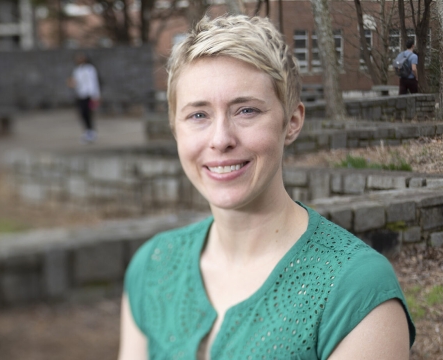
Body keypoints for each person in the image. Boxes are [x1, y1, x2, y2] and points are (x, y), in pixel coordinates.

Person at [118, 15, 415, 360]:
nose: (221, 140)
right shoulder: (153, 266)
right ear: (175, 129)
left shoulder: (356, 290)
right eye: (198, 115)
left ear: (292, 123)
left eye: (246, 110)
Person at [68, 53, 101, 143]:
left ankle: (91, 132)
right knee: (82, 113)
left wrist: (95, 96)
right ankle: (87, 131)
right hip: (80, 95)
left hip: (89, 95)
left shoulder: (90, 69)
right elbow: (76, 82)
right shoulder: (77, 70)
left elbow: (93, 82)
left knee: (88, 113)